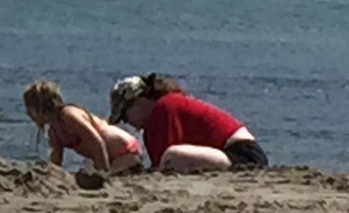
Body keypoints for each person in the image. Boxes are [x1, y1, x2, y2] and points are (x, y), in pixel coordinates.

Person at [108, 74, 267, 172]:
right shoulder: (162, 112)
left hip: (241, 153)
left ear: (139, 101)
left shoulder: (165, 107)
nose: (129, 122)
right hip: (230, 152)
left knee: (172, 156)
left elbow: (163, 157)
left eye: (126, 115)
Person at [23, 80, 143, 174]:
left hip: (125, 150)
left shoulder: (69, 115)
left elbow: (96, 142)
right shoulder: (54, 130)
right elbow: (56, 159)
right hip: (107, 156)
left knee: (108, 175)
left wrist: (103, 173)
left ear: (37, 109)